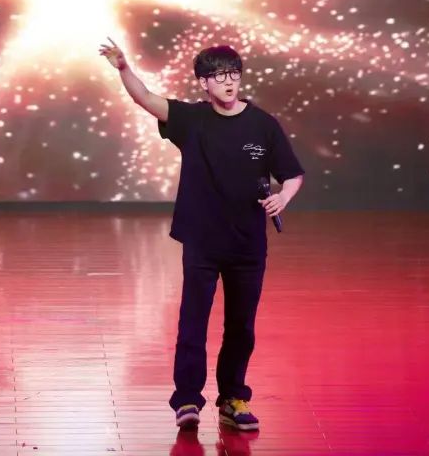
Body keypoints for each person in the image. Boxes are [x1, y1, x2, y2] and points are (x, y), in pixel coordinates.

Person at [99, 39, 304, 431]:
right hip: (202, 240)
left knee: (241, 327)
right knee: (193, 322)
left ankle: (233, 399)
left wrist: (284, 196)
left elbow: (292, 174)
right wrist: (124, 68)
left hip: (247, 243)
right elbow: (145, 98)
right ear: (203, 83)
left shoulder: (263, 124)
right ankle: (187, 400)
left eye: (233, 74)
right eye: (219, 76)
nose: (228, 82)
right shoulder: (191, 120)